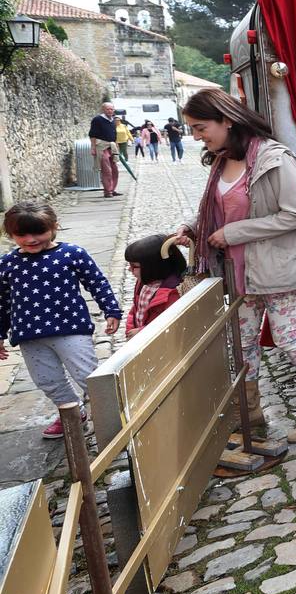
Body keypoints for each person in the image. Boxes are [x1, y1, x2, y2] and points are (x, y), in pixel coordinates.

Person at [171, 88, 296, 442]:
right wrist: (194, 227)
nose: (196, 136)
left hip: (278, 270)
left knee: (290, 338)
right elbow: (220, 210)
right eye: (192, 129)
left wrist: (235, 233)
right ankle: (249, 413)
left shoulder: (274, 159)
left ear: (227, 120)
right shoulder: (221, 160)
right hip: (239, 273)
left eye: (200, 127)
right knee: (242, 342)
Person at [0, 202, 121, 439]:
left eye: (38, 232)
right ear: (10, 234)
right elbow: (2, 302)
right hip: (30, 336)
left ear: (54, 226)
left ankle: (113, 419)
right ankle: (72, 413)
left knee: (88, 376)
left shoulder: (72, 254)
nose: (31, 239)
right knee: (48, 380)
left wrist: (111, 310)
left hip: (71, 329)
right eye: (21, 234)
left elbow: (97, 282)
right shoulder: (7, 264)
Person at [123, 234, 185, 340]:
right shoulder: (142, 284)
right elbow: (135, 309)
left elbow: (169, 323)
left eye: (134, 266)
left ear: (153, 266)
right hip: (141, 340)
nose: (130, 269)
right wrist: (130, 330)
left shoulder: (172, 292)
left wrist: (142, 332)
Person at [88, 101, 121, 197]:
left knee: (115, 170)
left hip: (112, 147)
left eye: (112, 109)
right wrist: (93, 147)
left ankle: (112, 189)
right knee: (106, 170)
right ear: (103, 109)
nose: (110, 111)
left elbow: (114, 134)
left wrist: (116, 144)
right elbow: (92, 135)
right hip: (102, 147)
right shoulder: (97, 119)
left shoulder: (113, 120)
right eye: (108, 109)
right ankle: (108, 191)